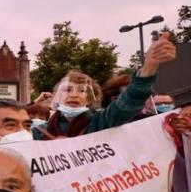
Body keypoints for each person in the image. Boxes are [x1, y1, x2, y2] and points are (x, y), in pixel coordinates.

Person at [33, 33, 175, 140]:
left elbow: (129, 102)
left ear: (89, 99)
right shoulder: (38, 131)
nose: (74, 94)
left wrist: (149, 65)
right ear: (55, 97)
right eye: (67, 90)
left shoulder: (101, 121)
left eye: (82, 90)